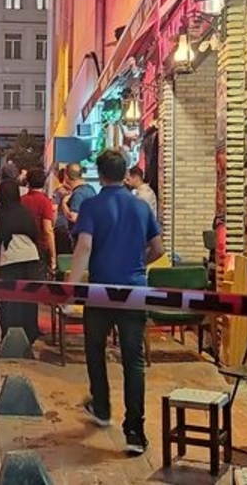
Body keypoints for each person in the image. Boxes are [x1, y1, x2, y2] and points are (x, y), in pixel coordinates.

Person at [66, 149, 164, 456]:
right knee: (133, 361)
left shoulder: (93, 206)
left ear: (101, 174)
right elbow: (158, 249)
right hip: (135, 291)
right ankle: (135, 431)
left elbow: (84, 246)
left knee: (95, 349)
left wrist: (70, 288)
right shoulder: (140, 206)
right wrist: (135, 265)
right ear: (125, 174)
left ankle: (103, 406)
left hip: (99, 292)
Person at [0, 180, 41, 344]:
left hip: (10, 259)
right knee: (29, 299)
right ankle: (29, 334)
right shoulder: (26, 211)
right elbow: (35, 234)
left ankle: (9, 334)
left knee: (9, 299)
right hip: (31, 258)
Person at [21, 167, 58, 277]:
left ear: (28, 182)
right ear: (44, 183)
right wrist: (53, 257)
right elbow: (48, 230)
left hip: (21, 248)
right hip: (39, 249)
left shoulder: (21, 200)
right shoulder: (45, 202)